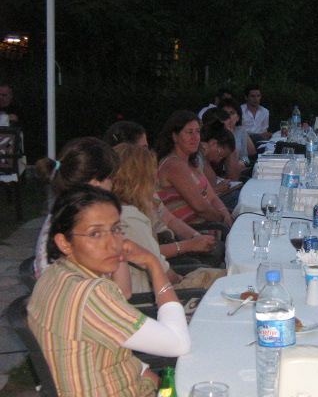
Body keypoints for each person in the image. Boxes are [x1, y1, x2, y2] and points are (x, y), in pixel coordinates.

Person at [28, 185, 190, 396]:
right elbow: (178, 344)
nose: (112, 244)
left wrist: (159, 383)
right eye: (95, 233)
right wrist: (153, 265)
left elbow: (123, 295)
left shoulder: (56, 274)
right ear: (64, 242)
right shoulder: (91, 293)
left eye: (115, 229)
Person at [103, 120, 224, 266]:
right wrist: (189, 244)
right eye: (143, 149)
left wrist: (196, 237)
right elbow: (147, 253)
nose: (148, 154)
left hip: (172, 244)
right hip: (163, 259)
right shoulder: (124, 213)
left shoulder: (144, 188)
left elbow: (169, 219)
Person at [112, 143, 225, 293]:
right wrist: (185, 278)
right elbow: (164, 273)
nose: (156, 181)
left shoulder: (113, 212)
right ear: (140, 180)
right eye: (152, 175)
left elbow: (169, 220)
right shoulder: (130, 219)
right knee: (226, 280)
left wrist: (195, 238)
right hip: (156, 295)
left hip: (157, 281)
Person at [33, 137, 126, 282]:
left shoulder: (58, 217)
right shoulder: (91, 225)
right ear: (95, 184)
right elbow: (122, 290)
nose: (113, 184)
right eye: (111, 178)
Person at [156, 110, 233, 226]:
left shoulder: (192, 163)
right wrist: (223, 221)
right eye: (189, 132)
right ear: (175, 136)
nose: (196, 137)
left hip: (210, 226)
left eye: (197, 131)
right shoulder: (173, 165)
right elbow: (201, 208)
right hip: (194, 231)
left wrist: (227, 216)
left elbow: (212, 197)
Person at [219, 97, 257, 168]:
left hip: (239, 169)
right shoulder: (216, 132)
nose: (228, 117)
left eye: (232, 113)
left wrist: (243, 161)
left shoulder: (241, 131)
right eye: (225, 113)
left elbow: (245, 156)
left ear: (238, 117)